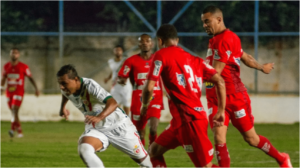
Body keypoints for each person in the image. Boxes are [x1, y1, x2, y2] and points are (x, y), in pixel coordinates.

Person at [201, 5, 292, 167]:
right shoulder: (218, 39)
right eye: (203, 22)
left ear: (219, 19)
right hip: (215, 97)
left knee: (252, 139)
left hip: (234, 97)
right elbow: (244, 56)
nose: (204, 26)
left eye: (207, 22)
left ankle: (282, 158)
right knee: (218, 138)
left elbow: (216, 73)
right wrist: (261, 67)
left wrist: (190, 73)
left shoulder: (225, 40)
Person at [141, 24, 226, 167]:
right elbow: (220, 81)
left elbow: (149, 87)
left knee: (205, 166)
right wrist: (221, 111)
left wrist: (144, 105)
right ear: (177, 40)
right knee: (154, 151)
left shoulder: (161, 55)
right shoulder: (196, 60)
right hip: (180, 121)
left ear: (160, 41)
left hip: (190, 120)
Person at [57, 64, 152, 168]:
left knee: (146, 163)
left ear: (75, 79)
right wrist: (63, 107)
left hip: (119, 126)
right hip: (97, 128)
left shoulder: (90, 85)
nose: (61, 87)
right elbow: (65, 93)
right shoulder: (66, 89)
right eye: (60, 84)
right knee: (84, 149)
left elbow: (113, 103)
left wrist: (99, 117)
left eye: (64, 83)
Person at [118, 34, 164, 147]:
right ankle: (143, 159)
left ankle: (152, 153)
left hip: (155, 97)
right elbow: (122, 75)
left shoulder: (159, 59)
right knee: (139, 133)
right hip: (138, 99)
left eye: (147, 41)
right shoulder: (131, 61)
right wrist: (122, 79)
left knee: (153, 129)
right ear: (138, 45)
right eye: (142, 41)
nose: (144, 43)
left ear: (152, 44)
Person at [1, 48, 39, 138]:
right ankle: (19, 130)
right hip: (9, 92)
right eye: (12, 53)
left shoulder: (23, 66)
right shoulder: (6, 66)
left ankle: (11, 130)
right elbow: (3, 78)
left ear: (19, 55)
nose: (14, 55)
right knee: (13, 111)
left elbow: (30, 77)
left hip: (19, 92)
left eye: (16, 53)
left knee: (14, 109)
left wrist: (36, 88)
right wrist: (1, 88)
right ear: (10, 55)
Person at [104, 45, 132, 116]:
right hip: (115, 86)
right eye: (116, 50)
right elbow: (113, 71)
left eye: (119, 50)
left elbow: (129, 71)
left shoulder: (126, 61)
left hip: (125, 86)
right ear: (114, 52)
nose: (118, 52)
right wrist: (108, 78)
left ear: (122, 51)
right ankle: (120, 121)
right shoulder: (111, 62)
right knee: (116, 107)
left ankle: (127, 121)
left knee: (126, 106)